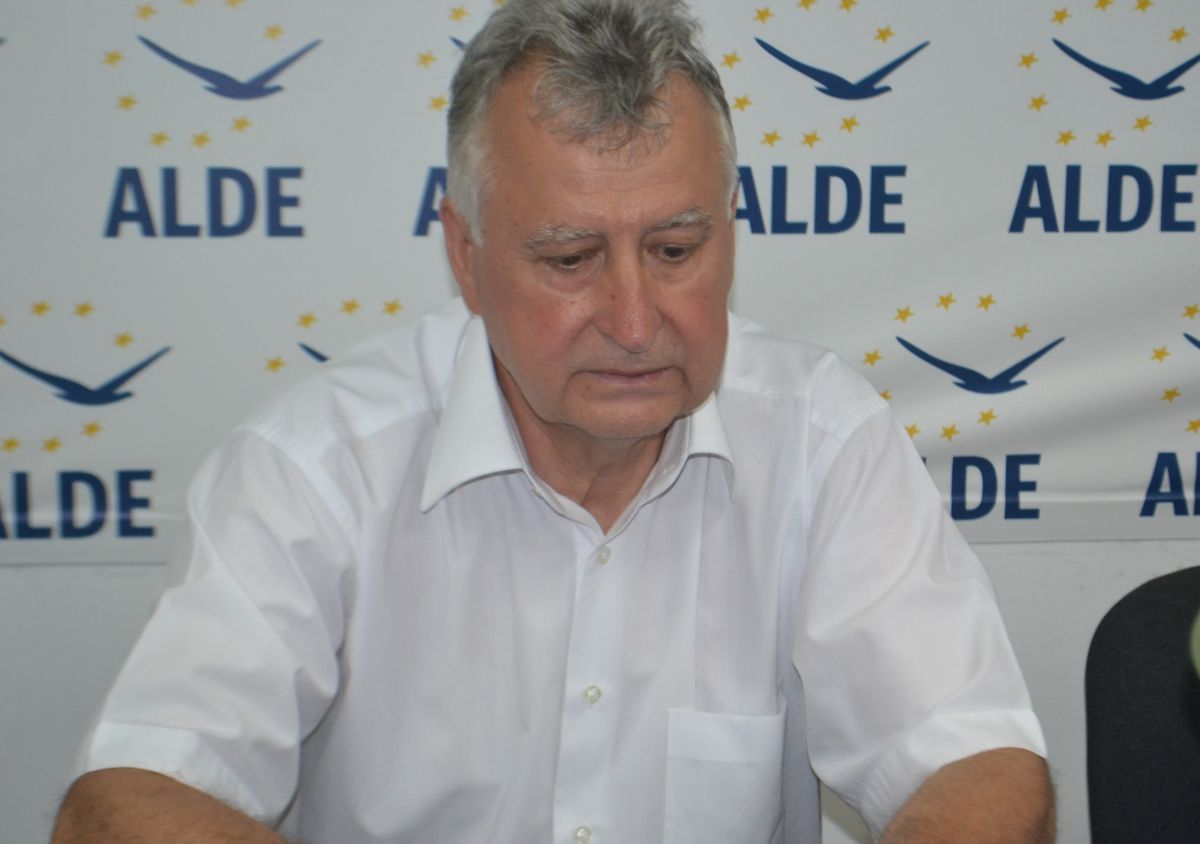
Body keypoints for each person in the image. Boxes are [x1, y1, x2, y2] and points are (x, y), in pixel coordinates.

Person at [52, 1, 1055, 841]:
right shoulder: (315, 466)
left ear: (730, 229)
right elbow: (123, 804)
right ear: (466, 254)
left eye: (675, 249)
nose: (634, 321)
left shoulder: (822, 441)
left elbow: (981, 768)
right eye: (570, 259)